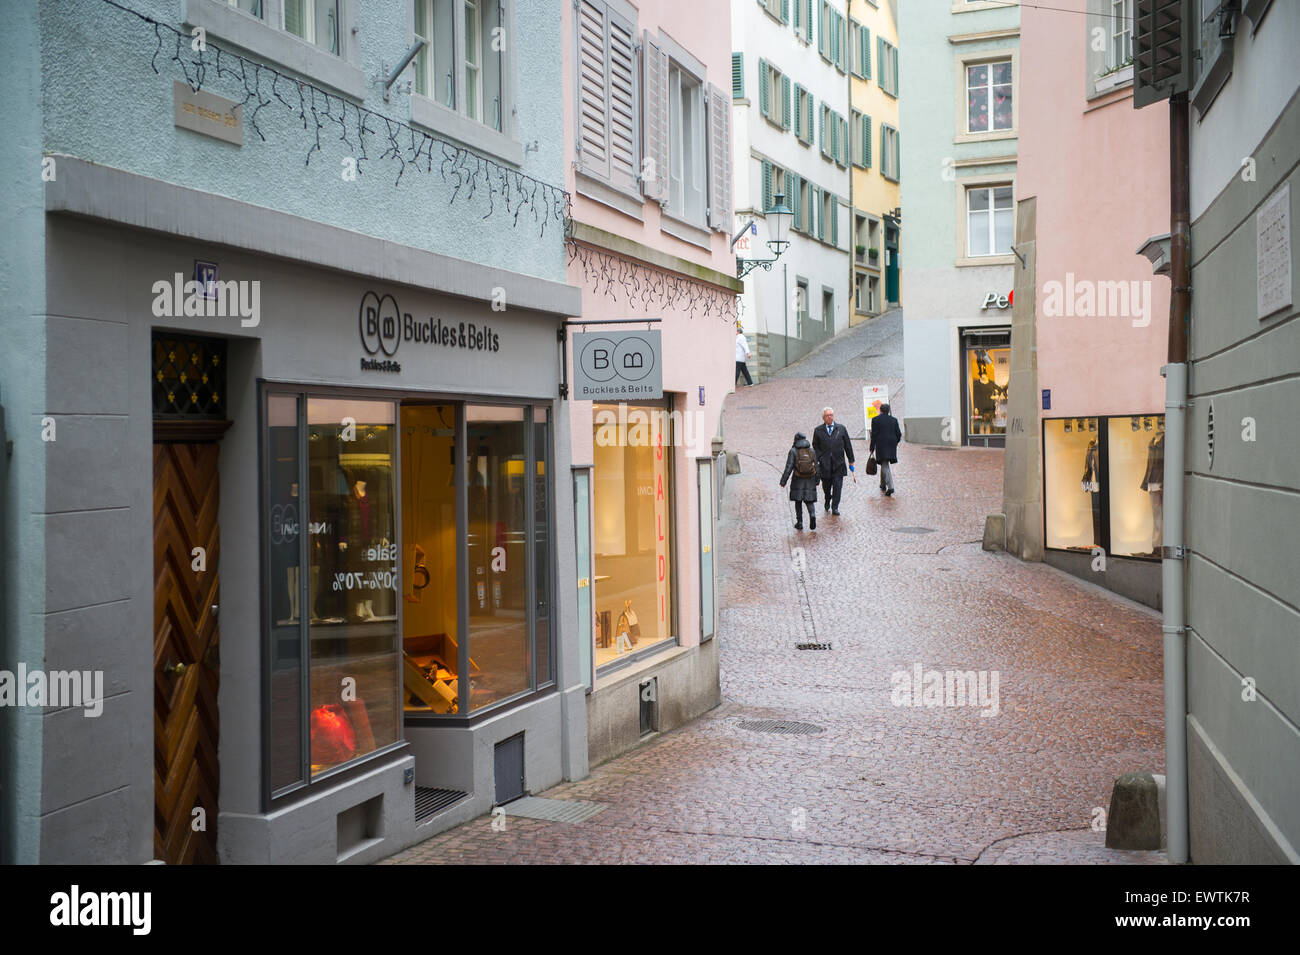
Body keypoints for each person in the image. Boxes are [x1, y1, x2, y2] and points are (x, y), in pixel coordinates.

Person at [812, 406, 854, 515]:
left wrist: (851, 459)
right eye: (827, 415)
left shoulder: (841, 429)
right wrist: (819, 457)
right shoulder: (818, 430)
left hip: (838, 464)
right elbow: (815, 446)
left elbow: (847, 445)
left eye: (831, 415)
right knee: (826, 486)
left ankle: (835, 507)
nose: (830, 417)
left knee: (837, 486)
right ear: (823, 418)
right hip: (825, 465)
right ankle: (827, 499)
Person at [779, 432, 819, 531]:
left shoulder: (793, 451)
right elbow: (817, 466)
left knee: (798, 501)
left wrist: (783, 481)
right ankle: (812, 515)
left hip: (798, 479)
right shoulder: (811, 450)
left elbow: (789, 467)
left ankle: (800, 522)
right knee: (809, 500)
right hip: (810, 479)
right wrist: (817, 480)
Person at [869, 402, 903, 496]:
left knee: (884, 463)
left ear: (880, 410)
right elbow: (899, 434)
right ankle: (882, 484)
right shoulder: (894, 420)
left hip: (881, 443)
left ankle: (891, 486)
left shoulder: (875, 420)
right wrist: (895, 442)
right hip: (891, 443)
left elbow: (874, 435)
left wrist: (871, 447)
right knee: (884, 462)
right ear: (888, 411)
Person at [735, 322, 753, 386]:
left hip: (739, 358)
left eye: (735, 331)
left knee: (737, 371)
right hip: (740, 358)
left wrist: (748, 353)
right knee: (744, 371)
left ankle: (733, 384)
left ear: (738, 331)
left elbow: (745, 346)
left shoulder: (741, 337)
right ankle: (750, 383)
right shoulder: (738, 337)